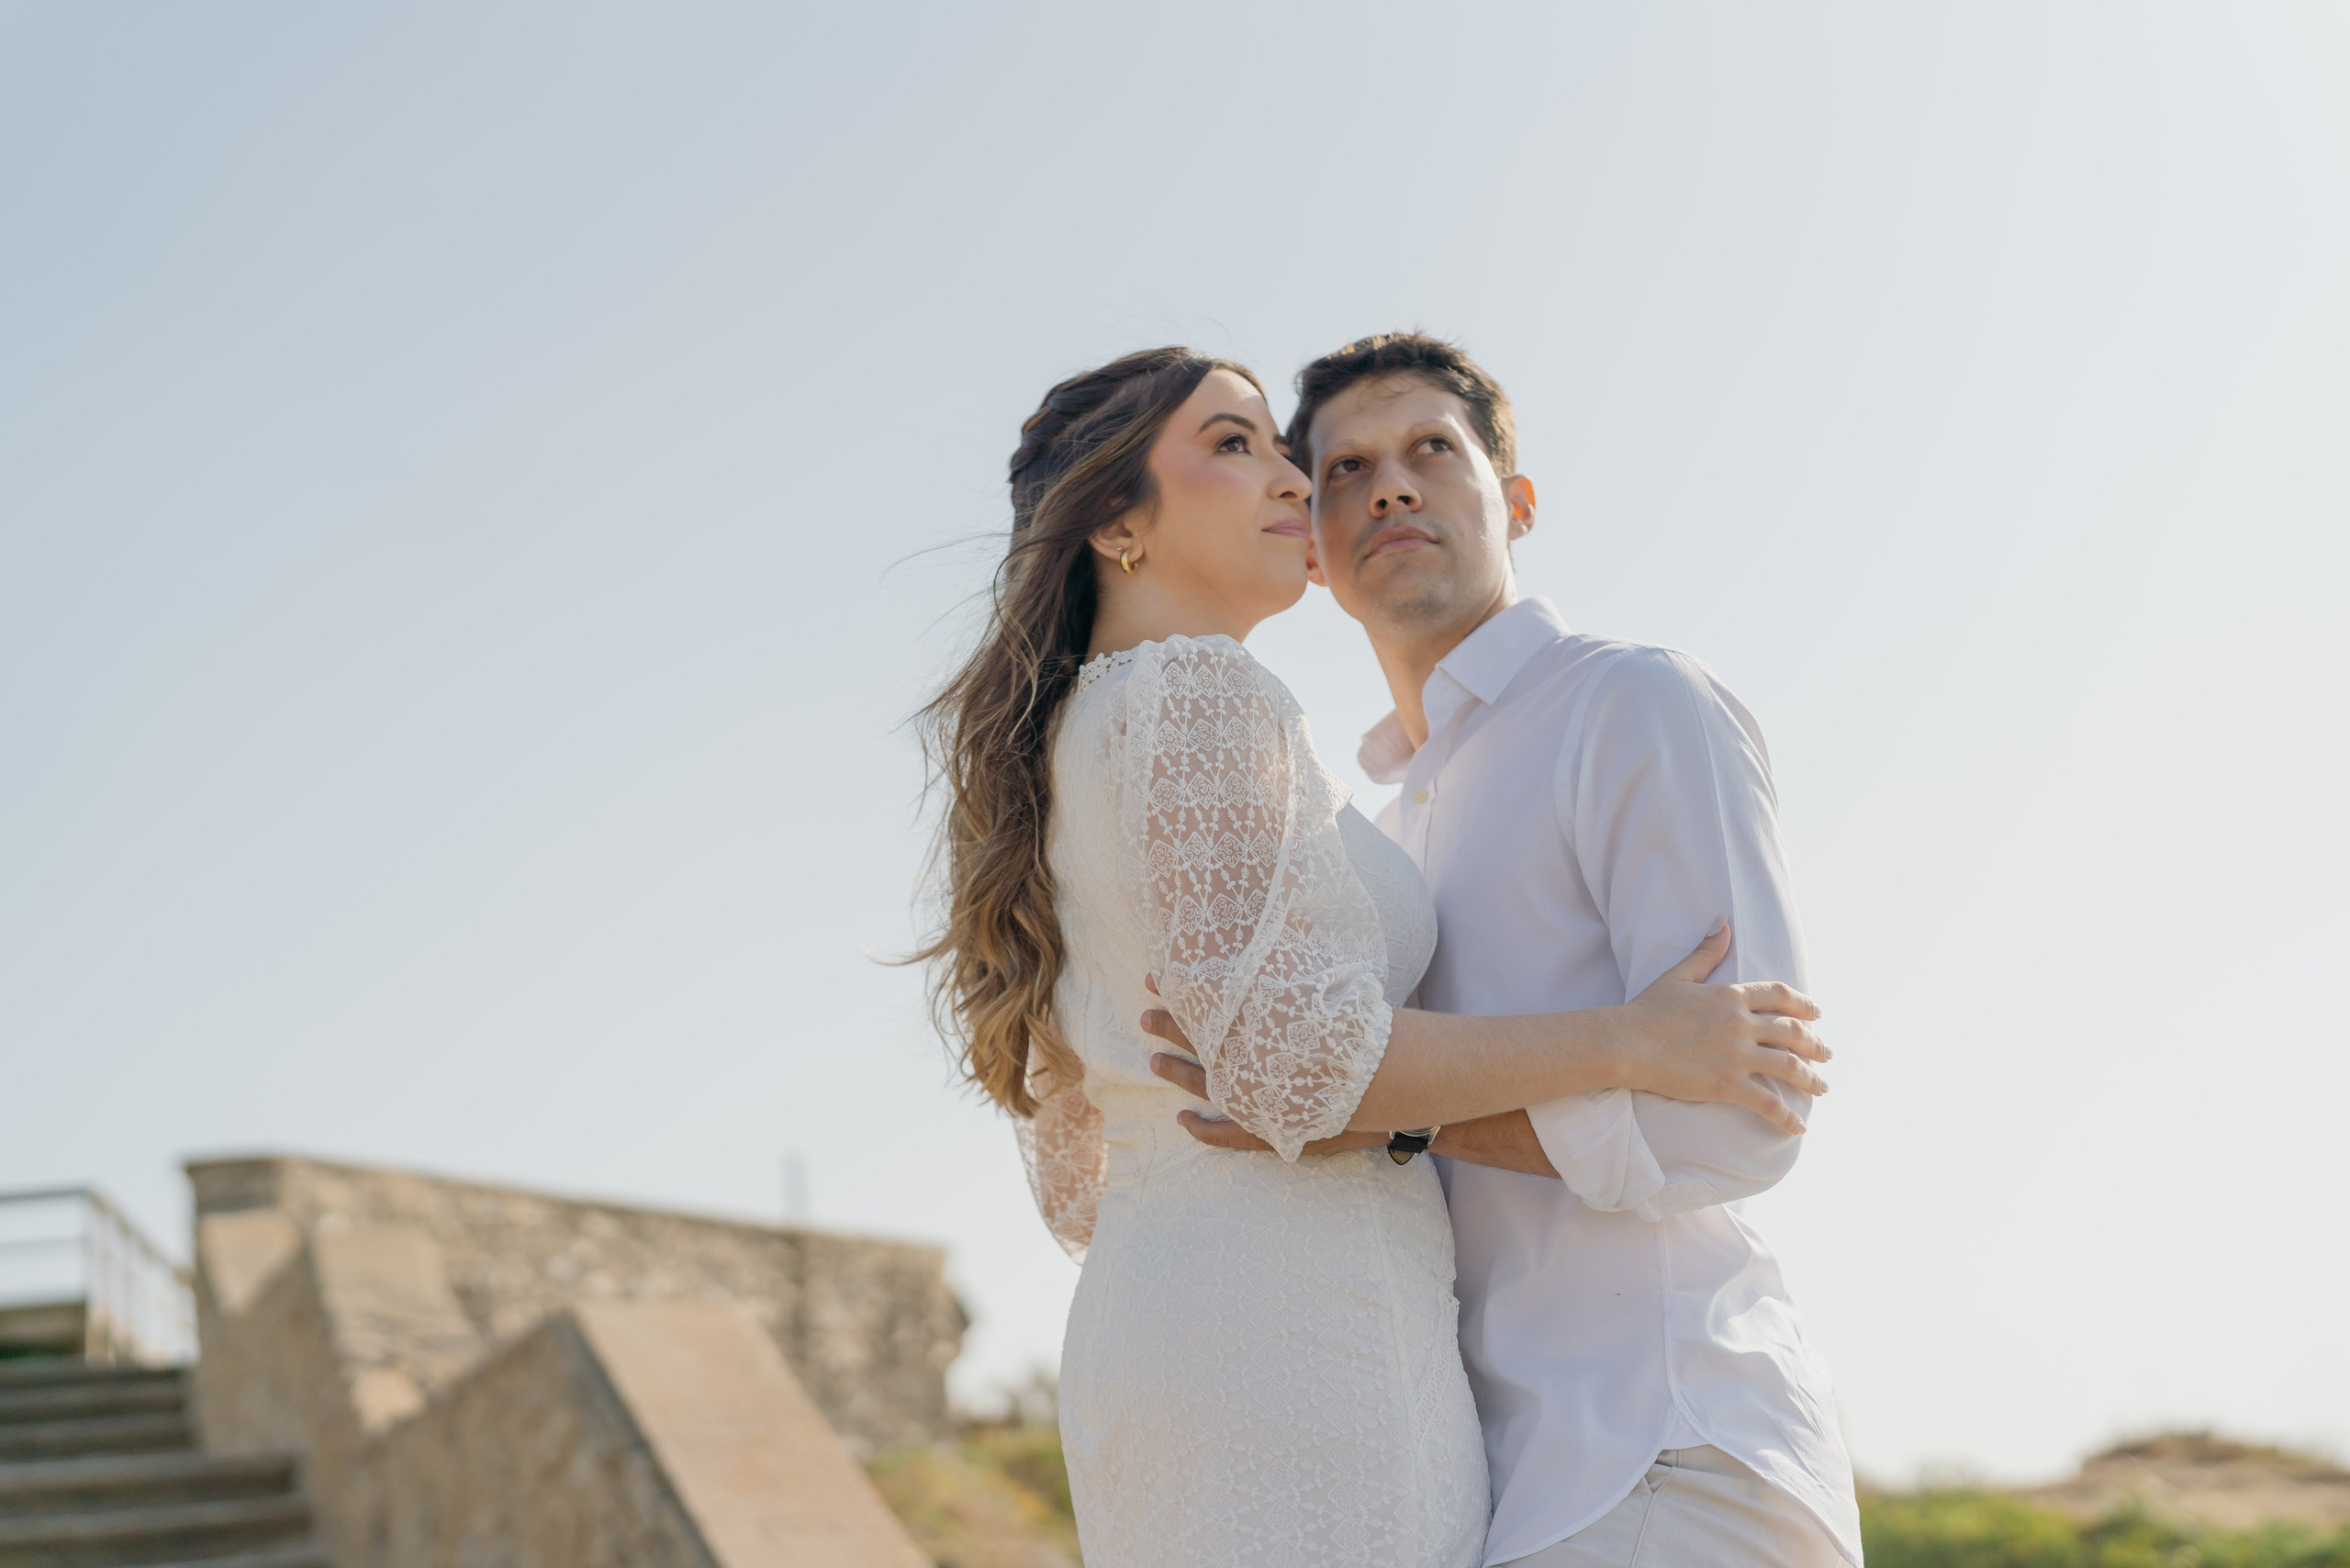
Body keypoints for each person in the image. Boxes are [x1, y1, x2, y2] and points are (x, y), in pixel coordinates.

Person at [913, 345, 1833, 1568]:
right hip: (1410, 1414)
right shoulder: (1347, 818)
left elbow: (1737, 1110)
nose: (1377, 487)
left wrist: (1385, 1117)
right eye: (1340, 466)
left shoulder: (1630, 704)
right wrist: (1564, 1059)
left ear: (1517, 502)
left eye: (1432, 450)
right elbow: (1294, 1073)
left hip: (1653, 1432)